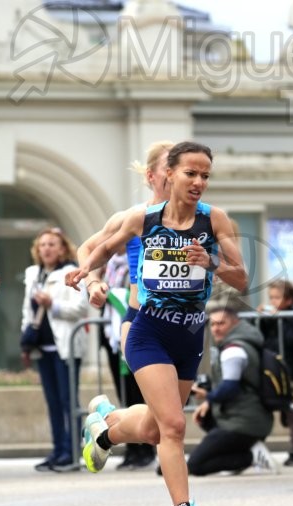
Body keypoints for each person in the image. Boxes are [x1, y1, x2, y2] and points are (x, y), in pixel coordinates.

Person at [66, 140, 248, 506]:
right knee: (175, 426)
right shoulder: (141, 219)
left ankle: (106, 428)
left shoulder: (214, 220)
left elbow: (242, 278)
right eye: (191, 173)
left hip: (189, 336)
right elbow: (100, 249)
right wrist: (87, 276)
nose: (199, 181)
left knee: (154, 427)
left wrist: (211, 263)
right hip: (145, 330)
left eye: (205, 175)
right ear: (168, 175)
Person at [78, 141, 174, 470]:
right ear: (152, 175)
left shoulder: (200, 219)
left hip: (182, 324)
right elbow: (87, 250)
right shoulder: (133, 218)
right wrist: (93, 283)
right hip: (140, 323)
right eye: (169, 168)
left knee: (155, 424)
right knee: (165, 421)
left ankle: (105, 424)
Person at [21, 227, 89, 473]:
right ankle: (57, 449)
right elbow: (27, 312)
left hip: (66, 346)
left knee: (67, 400)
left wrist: (53, 305)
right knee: (52, 402)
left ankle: (72, 452)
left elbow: (80, 308)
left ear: (62, 248)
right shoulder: (33, 274)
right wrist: (25, 342)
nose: (47, 249)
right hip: (42, 347)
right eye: (43, 245)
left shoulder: (71, 272)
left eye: (52, 244)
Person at [188, 304, 273, 476]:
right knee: (204, 417)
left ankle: (252, 456)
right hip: (248, 417)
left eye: (221, 324)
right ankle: (241, 454)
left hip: (243, 422)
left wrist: (208, 397)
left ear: (235, 324)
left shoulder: (233, 350)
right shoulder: (241, 343)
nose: (216, 329)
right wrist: (208, 402)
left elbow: (229, 388)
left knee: (195, 465)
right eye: (212, 325)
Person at [260, 279, 293, 466]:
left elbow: (292, 340)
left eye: (277, 297)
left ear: (288, 300)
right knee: (263, 409)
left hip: (290, 373)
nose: (273, 301)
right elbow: (263, 338)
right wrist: (263, 318)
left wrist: (280, 318)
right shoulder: (270, 318)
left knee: (292, 413)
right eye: (271, 297)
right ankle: (257, 448)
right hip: (270, 372)